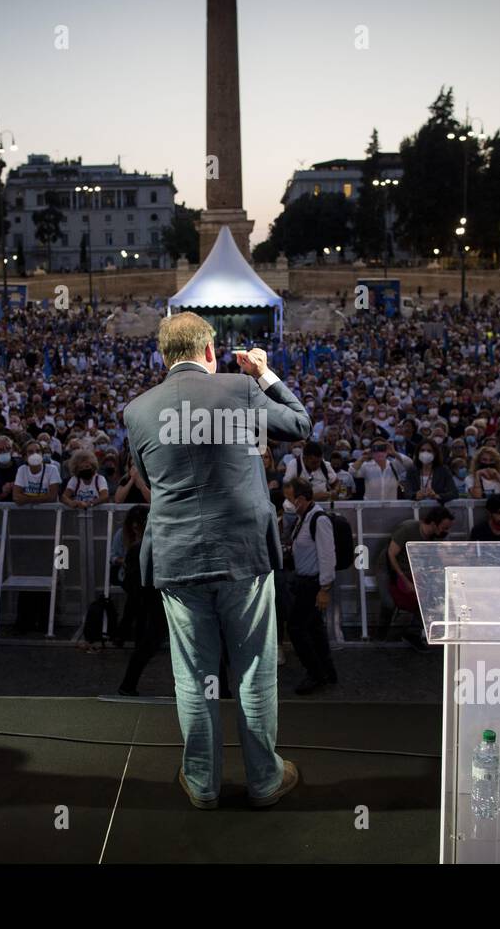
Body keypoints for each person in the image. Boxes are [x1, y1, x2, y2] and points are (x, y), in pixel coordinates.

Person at [123, 312, 310, 809]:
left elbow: (148, 477)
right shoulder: (240, 390)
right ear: (210, 352)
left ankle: (202, 784)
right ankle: (265, 781)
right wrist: (262, 373)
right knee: (253, 670)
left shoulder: (137, 410)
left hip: (177, 558)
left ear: (164, 358)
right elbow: (300, 423)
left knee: (192, 676)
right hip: (242, 556)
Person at [281, 478, 338, 695]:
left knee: (296, 628)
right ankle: (327, 670)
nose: (287, 504)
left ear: (301, 499)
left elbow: (327, 556)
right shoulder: (303, 518)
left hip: (313, 585)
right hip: (305, 582)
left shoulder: (318, 520)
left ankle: (315, 673)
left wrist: (324, 589)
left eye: (289, 499)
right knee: (314, 629)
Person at [385, 504, 455, 647]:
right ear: (434, 524)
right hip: (396, 571)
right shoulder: (408, 529)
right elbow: (391, 554)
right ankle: (398, 634)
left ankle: (415, 632)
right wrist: (405, 580)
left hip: (415, 573)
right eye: (444, 527)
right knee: (413, 600)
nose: (445, 531)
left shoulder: (433, 537)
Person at [117, 506, 169, 696]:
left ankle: (128, 686)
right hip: (162, 599)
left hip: (149, 600)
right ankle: (219, 691)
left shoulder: (138, 549)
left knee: (147, 645)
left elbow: (131, 584)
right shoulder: (158, 545)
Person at [12, 439, 61, 505]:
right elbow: (16, 497)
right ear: (25, 457)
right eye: (30, 452)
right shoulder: (22, 470)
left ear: (42, 454)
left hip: (48, 512)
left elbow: (52, 497)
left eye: (38, 451)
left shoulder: (52, 469)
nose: (35, 454)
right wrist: (43, 498)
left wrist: (25, 499)